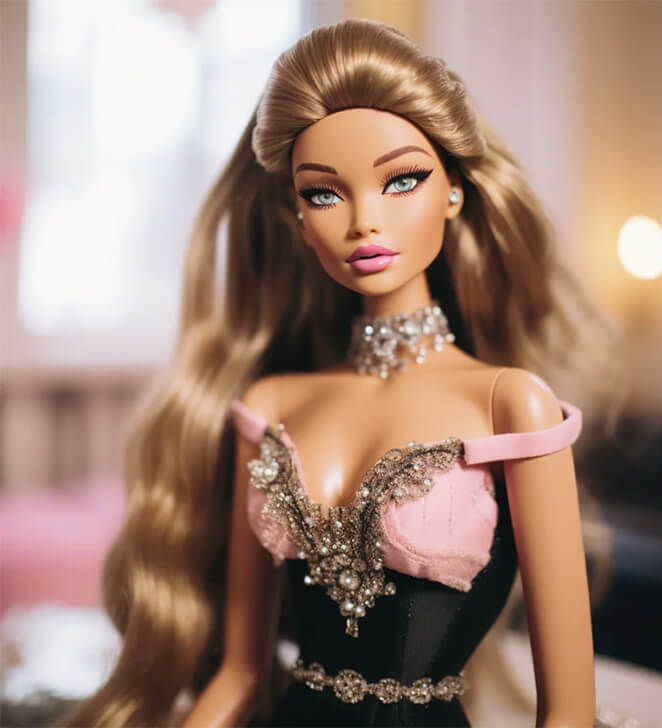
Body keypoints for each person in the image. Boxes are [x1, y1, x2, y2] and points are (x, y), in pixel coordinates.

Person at [58, 17, 616, 728]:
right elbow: (239, 675)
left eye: (402, 180)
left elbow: (568, 712)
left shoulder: (510, 404)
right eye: (324, 193)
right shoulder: (271, 403)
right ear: (297, 215)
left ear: (453, 189)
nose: (363, 222)